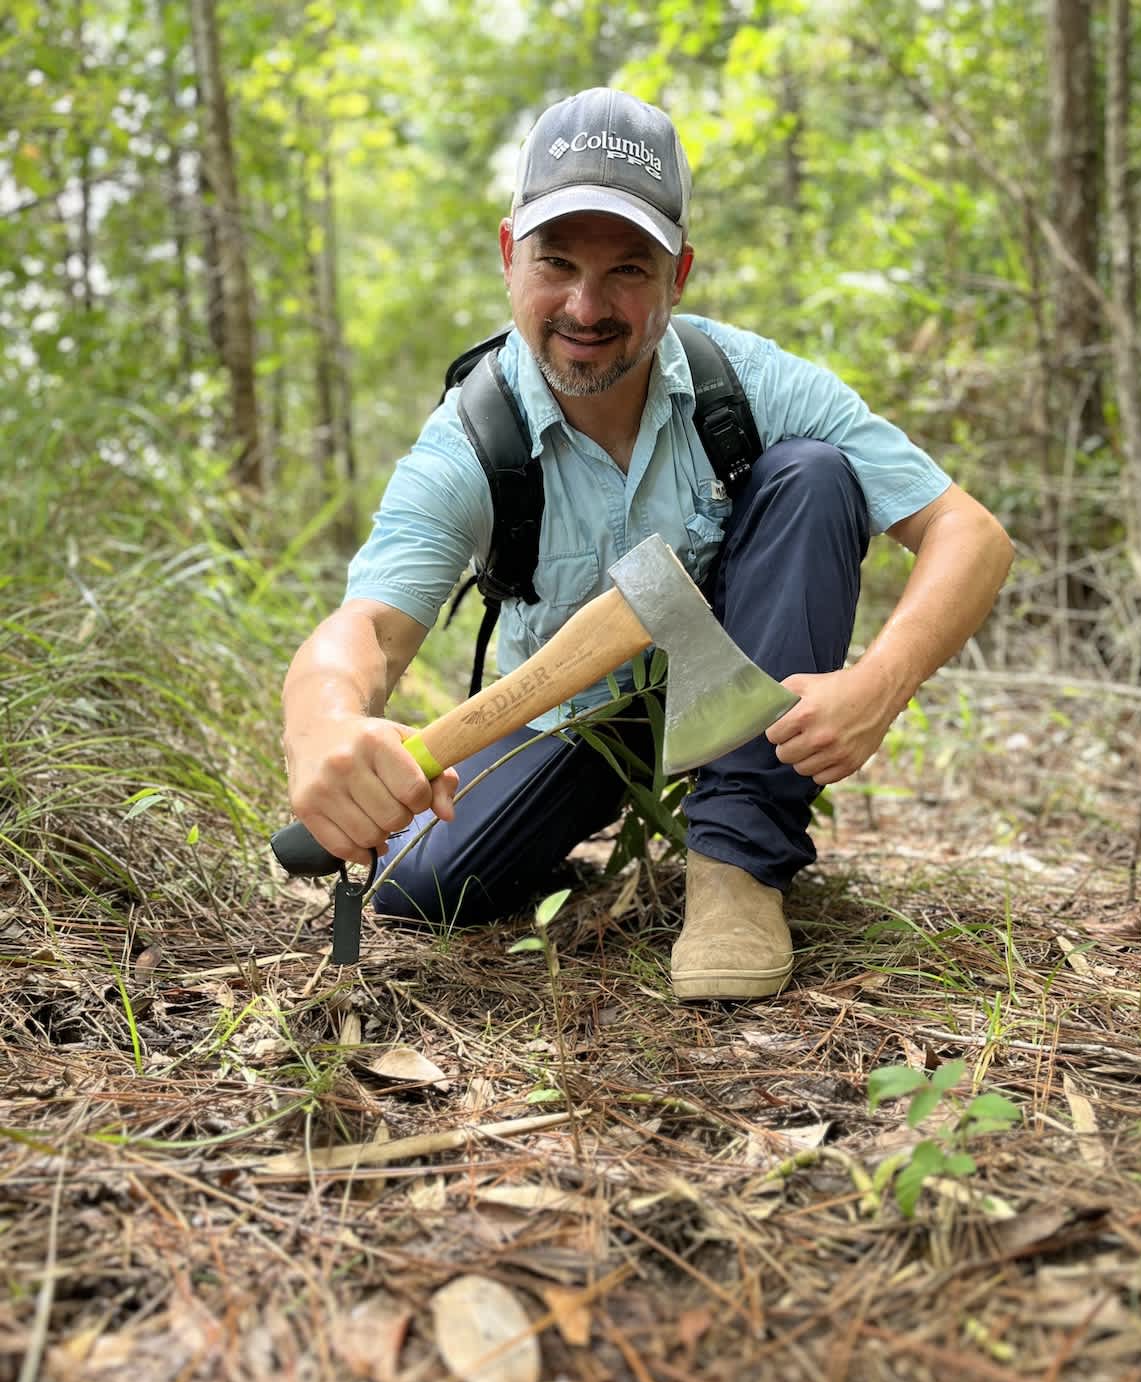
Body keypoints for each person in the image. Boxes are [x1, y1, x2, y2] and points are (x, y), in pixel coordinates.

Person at [281, 87, 1013, 1001]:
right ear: (510, 257)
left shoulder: (747, 382)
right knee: (419, 888)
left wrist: (880, 682)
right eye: (556, 263)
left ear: (680, 275)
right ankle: (569, 836)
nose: (587, 306)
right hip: (577, 719)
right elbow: (371, 630)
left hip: (745, 686)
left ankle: (738, 863)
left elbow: (969, 534)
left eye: (628, 269)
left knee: (816, 474)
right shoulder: (473, 441)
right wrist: (321, 719)